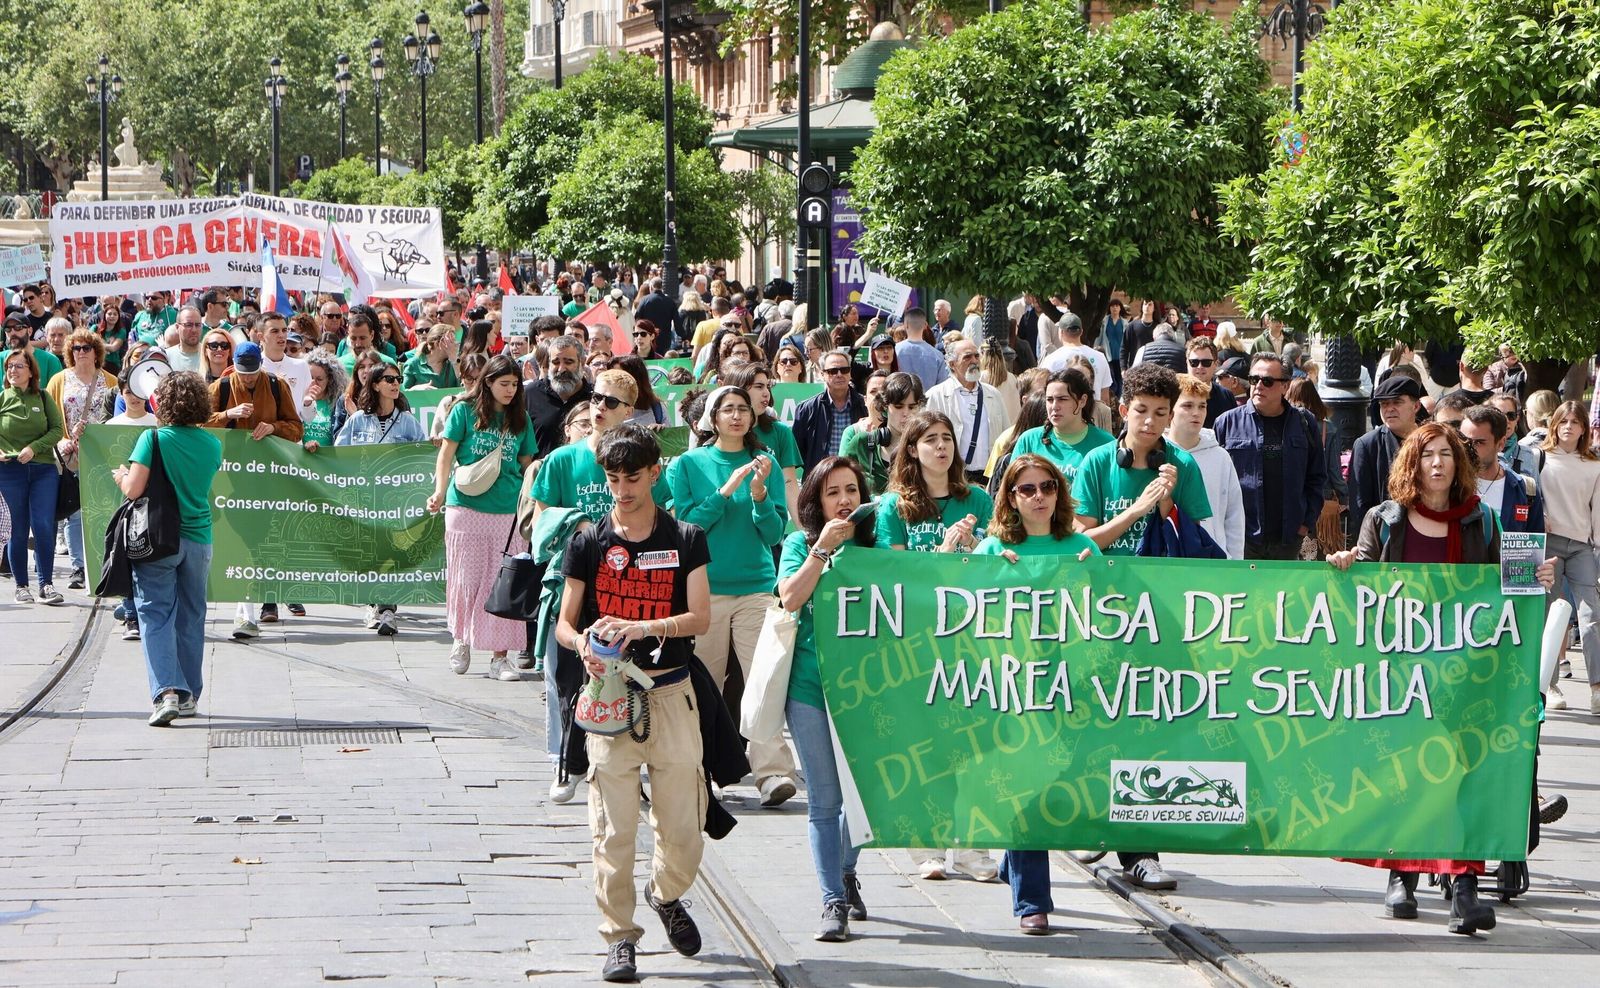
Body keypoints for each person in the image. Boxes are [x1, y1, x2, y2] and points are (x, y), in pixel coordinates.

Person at [1329, 422, 1555, 933]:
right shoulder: (1383, 521)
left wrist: (1536, 577)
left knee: (1463, 776)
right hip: (1399, 672)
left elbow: (1509, 588)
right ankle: (1401, 878)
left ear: (1459, 465)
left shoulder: (1483, 520)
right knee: (1405, 776)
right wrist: (1346, 564)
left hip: (1465, 674)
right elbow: (1360, 589)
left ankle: (1465, 888)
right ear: (1413, 463)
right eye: (1427, 454)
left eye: (1447, 455)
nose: (1437, 463)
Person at [554, 424, 712, 984]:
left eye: (632, 478)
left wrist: (639, 625)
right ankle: (620, 937)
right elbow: (564, 625)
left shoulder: (687, 537)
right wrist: (586, 649)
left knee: (684, 826)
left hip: (670, 694)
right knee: (613, 829)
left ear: (654, 473)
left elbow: (700, 617)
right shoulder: (588, 541)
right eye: (613, 479)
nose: (622, 490)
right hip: (610, 699)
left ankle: (666, 894)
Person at [1071, 363, 1209, 889]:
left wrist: (1167, 502)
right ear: (1124, 410)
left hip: (1159, 621)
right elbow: (1084, 543)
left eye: (1161, 414)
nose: (1150, 423)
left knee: (1146, 726)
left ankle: (1140, 849)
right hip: (1101, 614)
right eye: (1142, 411)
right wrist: (1139, 509)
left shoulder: (1182, 466)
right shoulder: (1097, 464)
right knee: (1096, 721)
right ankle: (1097, 816)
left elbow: (1191, 547)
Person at [968, 453, 1100, 933]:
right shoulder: (991, 550)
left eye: (1047, 486)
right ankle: (1032, 902)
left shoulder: (1083, 546)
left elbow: (1110, 618)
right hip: (1012, 686)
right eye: (1027, 489)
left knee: (1060, 781)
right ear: (1009, 497)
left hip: (1071, 685)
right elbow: (960, 614)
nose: (1039, 496)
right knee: (1027, 785)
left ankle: (1012, 860)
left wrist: (1094, 576)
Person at [874, 409, 997, 881]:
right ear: (912, 449)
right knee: (923, 748)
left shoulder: (978, 500)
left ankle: (971, 846)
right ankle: (924, 845)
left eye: (947, 439)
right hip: (917, 644)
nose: (941, 447)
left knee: (971, 749)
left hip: (971, 641)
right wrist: (945, 554)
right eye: (930, 440)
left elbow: (994, 565)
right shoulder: (894, 507)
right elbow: (894, 576)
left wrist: (971, 549)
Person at [667, 385, 798, 806]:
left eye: (744, 409)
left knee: (762, 681)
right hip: (703, 592)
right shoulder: (689, 463)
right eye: (728, 410)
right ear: (712, 417)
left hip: (756, 589)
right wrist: (725, 492)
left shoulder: (767, 464)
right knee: (700, 687)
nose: (737, 417)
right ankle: (698, 770)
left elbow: (775, 532)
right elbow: (687, 526)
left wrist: (759, 495)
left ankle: (772, 771)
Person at [776, 455, 875, 941]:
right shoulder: (799, 543)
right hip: (811, 686)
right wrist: (820, 551)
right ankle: (832, 899)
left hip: (871, 690)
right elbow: (790, 598)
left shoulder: (878, 546)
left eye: (851, 491)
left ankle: (846, 869)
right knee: (825, 799)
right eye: (832, 492)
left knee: (863, 800)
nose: (843, 501)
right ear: (816, 500)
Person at [110, 371, 223, 725]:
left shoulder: (152, 438)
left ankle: (166, 693)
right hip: (199, 537)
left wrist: (120, 476)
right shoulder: (212, 444)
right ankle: (188, 694)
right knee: (192, 615)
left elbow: (133, 489)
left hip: (159, 539)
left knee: (155, 613)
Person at [428, 354, 538, 681]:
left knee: (502, 582)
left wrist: (530, 505)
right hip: (465, 505)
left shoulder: (521, 419)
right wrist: (438, 492)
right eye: (504, 383)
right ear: (487, 382)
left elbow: (527, 465)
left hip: (507, 510)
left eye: (515, 384)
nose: (510, 390)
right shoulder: (463, 410)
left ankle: (499, 658)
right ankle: (461, 639)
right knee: (467, 578)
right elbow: (445, 455)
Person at [333, 364, 426, 637]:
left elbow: (421, 454)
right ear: (375, 384)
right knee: (369, 553)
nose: (395, 384)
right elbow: (339, 454)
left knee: (390, 553)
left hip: (394, 501)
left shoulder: (407, 421)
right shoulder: (359, 420)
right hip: (365, 499)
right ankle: (373, 603)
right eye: (389, 379)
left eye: (398, 379)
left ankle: (387, 608)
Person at [1213, 354, 1325, 560]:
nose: (1258, 386)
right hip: (1242, 538)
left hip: (1289, 539)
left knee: (1285, 593)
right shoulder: (1226, 423)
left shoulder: (1305, 423)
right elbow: (1215, 480)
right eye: (1254, 380)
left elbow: (1316, 477)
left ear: (1285, 386)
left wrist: (1305, 524)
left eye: (1267, 381)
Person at [1537, 401, 1600, 714]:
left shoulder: (1593, 464)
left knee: (1592, 616)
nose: (1569, 427)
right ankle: (1547, 684)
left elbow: (1597, 510)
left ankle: (1597, 688)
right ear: (1554, 424)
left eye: (1575, 422)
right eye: (1563, 421)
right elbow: (1529, 490)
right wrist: (1541, 515)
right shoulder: (1539, 457)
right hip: (1547, 545)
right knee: (1550, 616)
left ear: (1584, 428)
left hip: (1581, 546)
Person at [45, 330, 117, 589]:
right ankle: (78, 567)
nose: (82, 352)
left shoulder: (110, 381)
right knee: (73, 511)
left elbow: (116, 416)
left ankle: (101, 562)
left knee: (102, 510)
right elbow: (49, 418)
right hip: (70, 454)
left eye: (87, 347)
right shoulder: (58, 380)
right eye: (76, 348)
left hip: (101, 454)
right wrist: (61, 440)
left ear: (96, 351)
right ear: (69, 352)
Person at [0, 349, 64, 605]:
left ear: (30, 370)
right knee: (17, 529)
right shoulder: (2, 397)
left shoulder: (43, 396)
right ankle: (21, 586)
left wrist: (34, 448)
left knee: (43, 526)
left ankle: (46, 584)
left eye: (18, 366)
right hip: (9, 472)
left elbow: (57, 429)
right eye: (9, 367)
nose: (13, 371)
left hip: (42, 470)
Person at [1169, 374, 1246, 559]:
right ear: (1170, 410)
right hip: (1165, 561)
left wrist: (1234, 562)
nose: (1196, 412)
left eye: (1202, 406)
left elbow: (1234, 515)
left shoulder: (1221, 457)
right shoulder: (1155, 452)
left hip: (1213, 561)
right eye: (1187, 406)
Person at [719, 361, 803, 521]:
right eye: (759, 387)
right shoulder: (720, 435)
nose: (766, 393)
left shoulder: (780, 432)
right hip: (728, 522)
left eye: (767, 386)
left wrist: (804, 532)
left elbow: (789, 484)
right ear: (739, 389)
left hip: (768, 524)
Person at [1008, 368, 1115, 488]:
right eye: (1049, 400)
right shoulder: (1029, 440)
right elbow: (1011, 487)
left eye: (1062, 399)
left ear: (1082, 401)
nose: (1054, 406)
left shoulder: (1105, 444)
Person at [925, 340, 1013, 485]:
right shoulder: (936, 396)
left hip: (990, 477)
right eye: (967, 357)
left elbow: (1006, 435)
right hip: (953, 478)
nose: (974, 361)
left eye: (976, 356)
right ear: (952, 364)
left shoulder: (993, 394)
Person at [1349, 375, 1425, 532]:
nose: (1389, 409)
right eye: (1384, 404)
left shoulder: (1431, 440)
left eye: (1397, 402)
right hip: (1386, 535)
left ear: (1416, 406)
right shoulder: (1367, 445)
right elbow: (1359, 503)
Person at [1287, 378, 1348, 558]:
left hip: (1294, 498)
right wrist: (1344, 496)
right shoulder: (1327, 428)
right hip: (1322, 498)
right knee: (1322, 556)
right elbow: (1334, 469)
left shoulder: (1287, 425)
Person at [841, 371, 924, 498]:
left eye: (912, 407)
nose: (906, 413)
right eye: (898, 406)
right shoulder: (862, 443)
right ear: (885, 406)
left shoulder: (927, 446)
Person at [794, 349, 867, 474]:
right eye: (833, 371)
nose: (839, 374)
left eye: (844, 370)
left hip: (857, 478)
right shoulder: (806, 409)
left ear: (850, 373)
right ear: (822, 374)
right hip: (819, 479)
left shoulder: (865, 406)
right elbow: (797, 452)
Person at [523, 334, 592, 458]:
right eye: (555, 362)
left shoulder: (595, 398)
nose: (561, 369)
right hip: (540, 475)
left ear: (582, 362)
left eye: (568, 362)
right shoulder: (530, 394)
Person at [1040, 313, 1112, 403]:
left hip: (1063, 414)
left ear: (1061, 332)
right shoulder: (1100, 357)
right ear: (1081, 331)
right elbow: (1105, 397)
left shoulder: (1051, 360)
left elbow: (1043, 394)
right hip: (1093, 412)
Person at [2, 313, 64, 387]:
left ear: (30, 331)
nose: (12, 332)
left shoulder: (50, 360)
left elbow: (56, 394)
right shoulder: (0, 359)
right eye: (7, 329)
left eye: (18, 327)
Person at [893, 308, 950, 389]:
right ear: (925, 325)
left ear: (905, 325)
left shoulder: (895, 350)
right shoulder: (937, 355)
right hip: (928, 400)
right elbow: (942, 386)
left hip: (900, 399)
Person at [606, 353, 666, 428]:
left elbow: (671, 438)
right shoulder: (604, 406)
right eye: (610, 376)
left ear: (636, 378)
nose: (612, 381)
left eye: (619, 377)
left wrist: (660, 432)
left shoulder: (657, 408)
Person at [404, 324, 461, 390]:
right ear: (437, 344)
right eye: (451, 341)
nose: (456, 344)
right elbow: (402, 393)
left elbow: (464, 389)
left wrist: (455, 362)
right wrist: (415, 389)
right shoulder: (413, 364)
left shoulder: (454, 363)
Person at [163, 307, 205, 374]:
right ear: (177, 327)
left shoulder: (209, 354)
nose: (194, 330)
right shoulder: (166, 357)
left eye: (197, 325)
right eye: (188, 325)